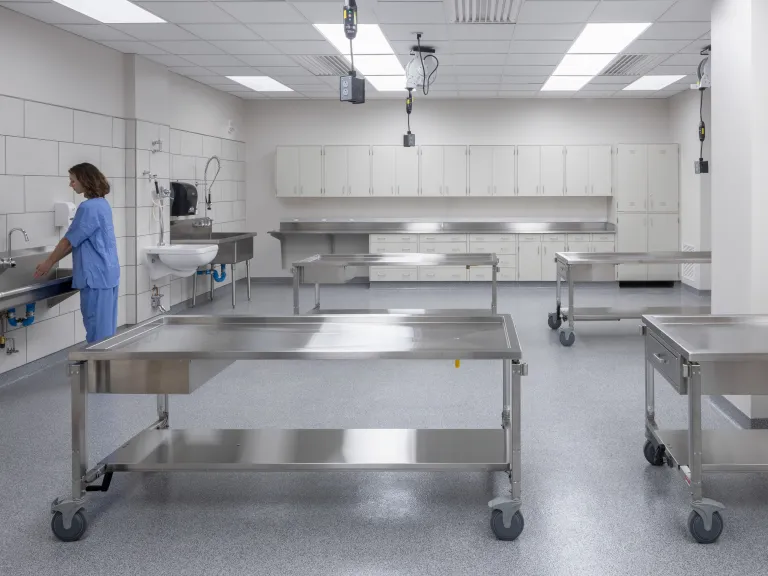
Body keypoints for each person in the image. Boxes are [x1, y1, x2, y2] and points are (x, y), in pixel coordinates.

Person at [35, 163, 120, 343]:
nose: (70, 184)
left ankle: (98, 369)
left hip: (95, 278)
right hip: (108, 274)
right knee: (106, 330)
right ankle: (106, 367)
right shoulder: (102, 204)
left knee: (97, 332)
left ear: (85, 180)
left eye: (73, 180)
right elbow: (78, 239)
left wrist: (48, 263)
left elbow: (68, 242)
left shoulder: (88, 208)